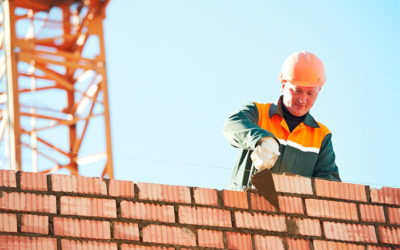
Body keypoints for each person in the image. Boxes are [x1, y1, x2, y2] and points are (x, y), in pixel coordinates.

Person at [223, 51, 341, 191]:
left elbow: (331, 186)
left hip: (291, 211)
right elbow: (232, 125)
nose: (302, 100)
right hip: (243, 207)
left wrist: (303, 187)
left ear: (319, 90)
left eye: (310, 93)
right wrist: (261, 139)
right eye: (297, 91)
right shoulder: (259, 113)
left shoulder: (321, 136)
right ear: (283, 85)